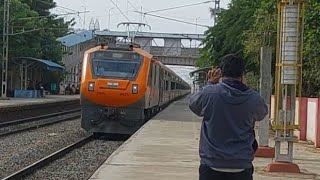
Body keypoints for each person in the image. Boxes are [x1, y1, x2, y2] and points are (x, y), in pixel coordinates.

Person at [189, 54, 268, 180]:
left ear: (220, 72)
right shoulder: (253, 98)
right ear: (243, 74)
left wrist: (210, 83)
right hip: (241, 165)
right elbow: (262, 113)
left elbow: (194, 105)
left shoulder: (210, 93)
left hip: (211, 164)